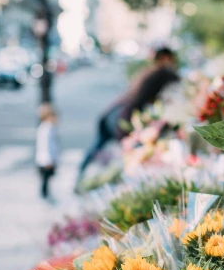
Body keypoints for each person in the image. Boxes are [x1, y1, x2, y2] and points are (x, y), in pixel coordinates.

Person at [77, 47, 179, 181]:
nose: (172, 63)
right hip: (121, 117)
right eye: (170, 59)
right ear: (164, 58)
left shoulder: (148, 73)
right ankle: (88, 179)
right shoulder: (161, 74)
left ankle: (81, 177)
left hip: (114, 113)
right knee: (128, 156)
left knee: (100, 147)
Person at [35, 103, 59, 200]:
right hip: (46, 160)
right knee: (45, 179)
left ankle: (45, 194)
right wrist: (49, 159)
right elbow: (46, 145)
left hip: (44, 159)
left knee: (46, 179)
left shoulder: (45, 127)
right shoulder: (47, 129)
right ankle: (44, 195)